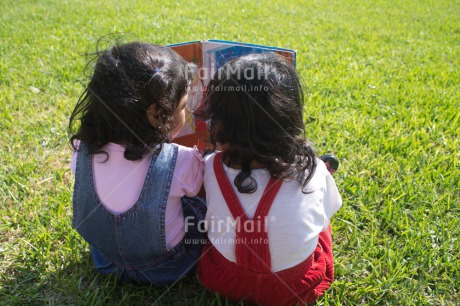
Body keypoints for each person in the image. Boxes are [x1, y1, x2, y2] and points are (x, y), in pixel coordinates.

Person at [196, 53, 342, 305]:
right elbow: (326, 215)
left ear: (221, 124)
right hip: (293, 288)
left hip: (225, 281)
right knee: (323, 225)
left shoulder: (210, 167)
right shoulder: (312, 169)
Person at [69, 42, 206, 285]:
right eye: (183, 106)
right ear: (156, 114)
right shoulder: (180, 160)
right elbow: (198, 189)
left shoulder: (82, 150)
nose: (186, 113)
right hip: (166, 268)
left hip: (105, 260)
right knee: (198, 206)